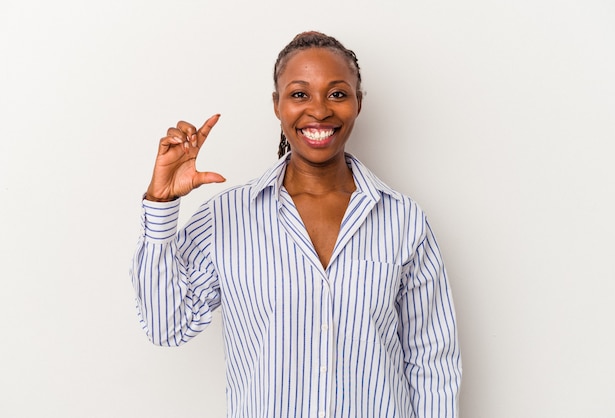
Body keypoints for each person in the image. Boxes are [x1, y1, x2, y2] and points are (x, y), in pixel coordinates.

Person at [131, 31, 462, 418]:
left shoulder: (403, 220)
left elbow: (432, 363)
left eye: (337, 94)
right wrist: (161, 204)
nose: (319, 110)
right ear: (277, 104)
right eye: (300, 94)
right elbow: (166, 326)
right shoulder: (226, 218)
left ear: (358, 103)